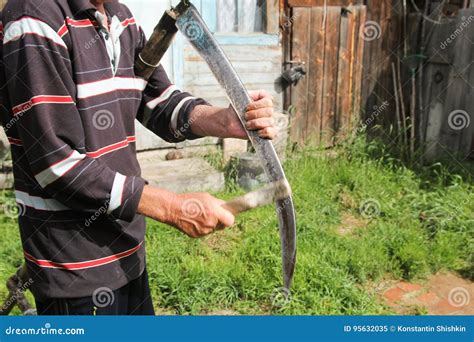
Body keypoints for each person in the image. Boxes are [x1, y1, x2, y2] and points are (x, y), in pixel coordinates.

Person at [0, 0, 276, 315]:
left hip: (127, 247)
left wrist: (223, 120)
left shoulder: (119, 16)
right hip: (74, 264)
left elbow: (157, 101)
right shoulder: (35, 18)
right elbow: (58, 165)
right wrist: (173, 208)